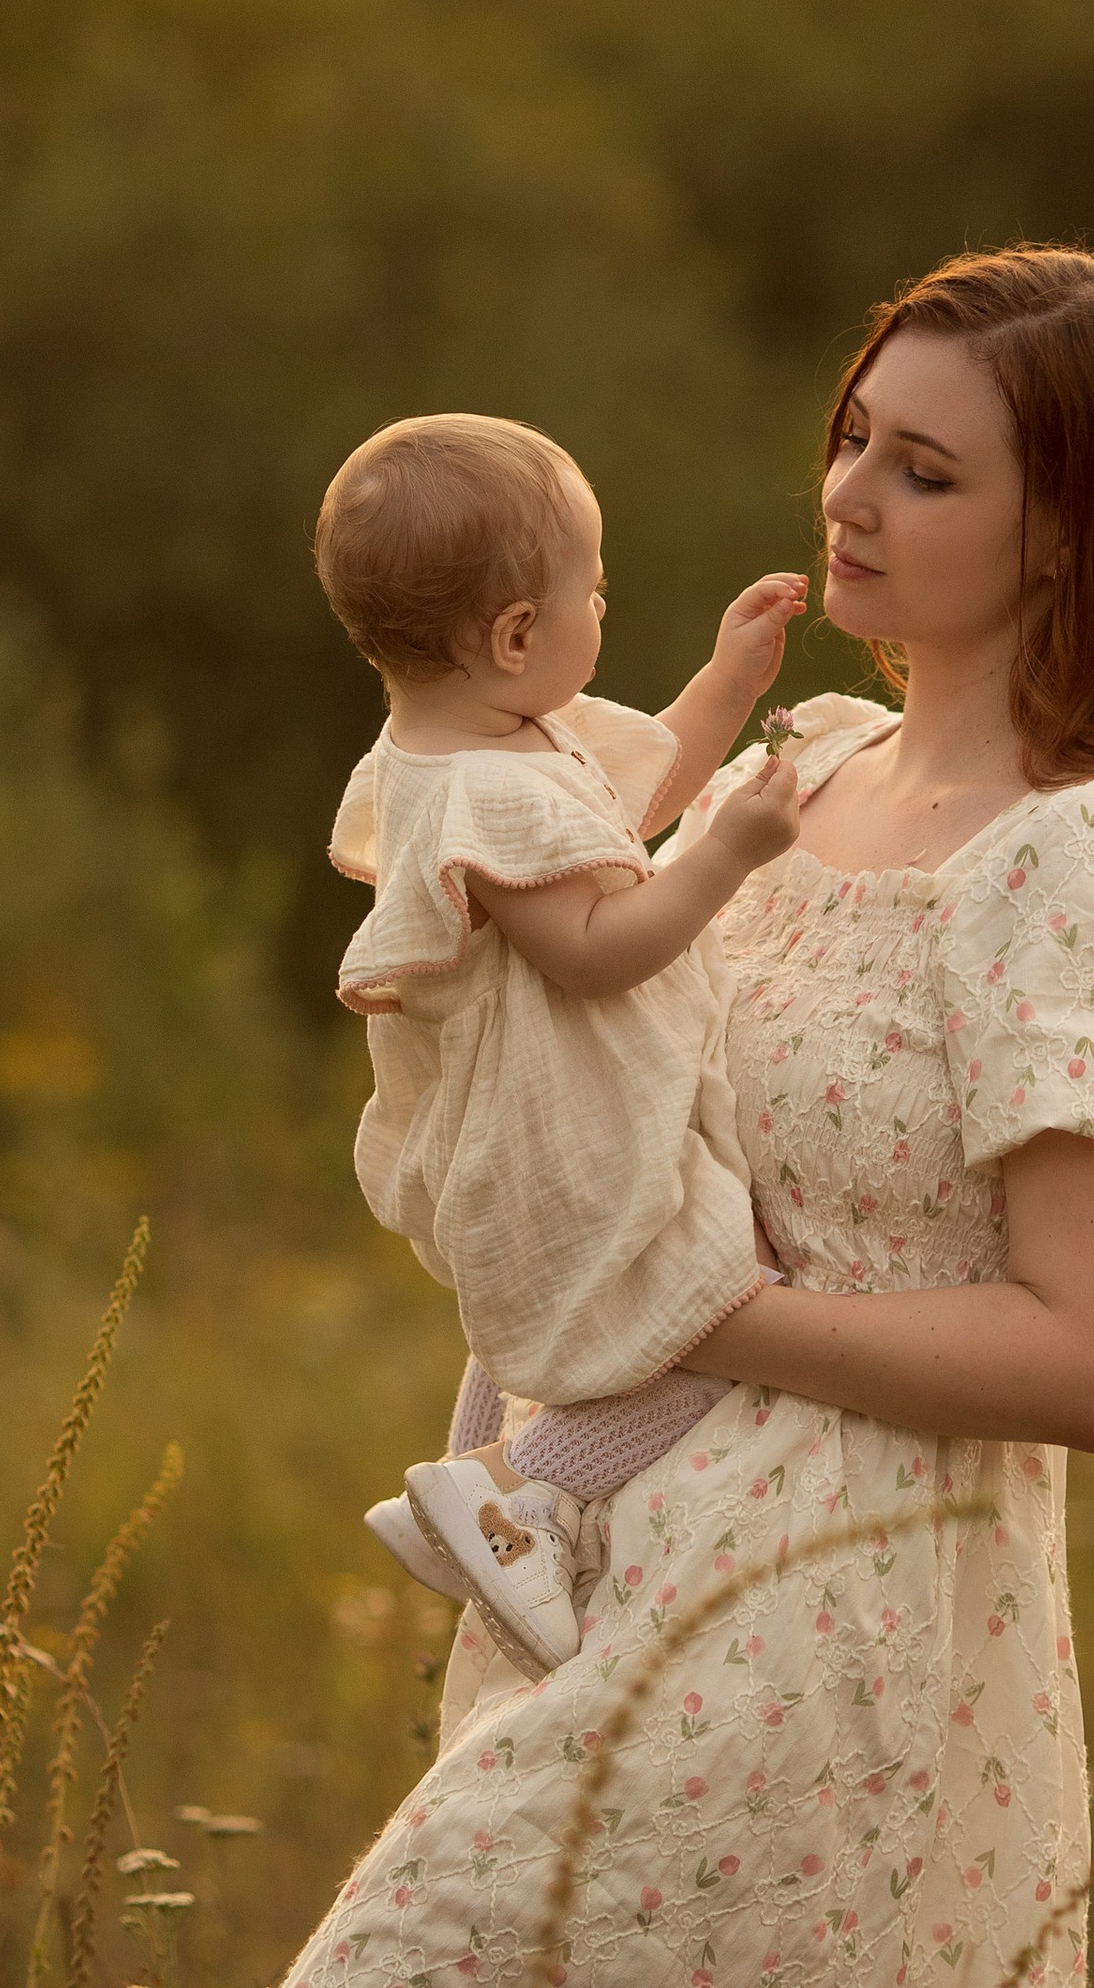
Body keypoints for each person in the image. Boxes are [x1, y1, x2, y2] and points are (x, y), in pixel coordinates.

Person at [130, 245, 1094, 1988]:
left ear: (1067, 528)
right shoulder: (803, 760)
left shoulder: (1084, 844)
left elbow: (1093, 1352)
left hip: (850, 1628)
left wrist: (718, 1318)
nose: (848, 489)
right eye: (853, 429)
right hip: (609, 1558)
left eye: (923, 464)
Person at [314, 410, 807, 1673]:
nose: (603, 605)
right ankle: (513, 1499)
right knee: (686, 1322)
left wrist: (727, 684)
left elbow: (620, 799)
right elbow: (597, 945)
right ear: (515, 635)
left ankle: (473, 1471)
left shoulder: (466, 740)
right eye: (591, 588)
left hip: (526, 1123)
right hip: (565, 1128)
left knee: (541, 1320)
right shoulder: (486, 790)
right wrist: (727, 852)